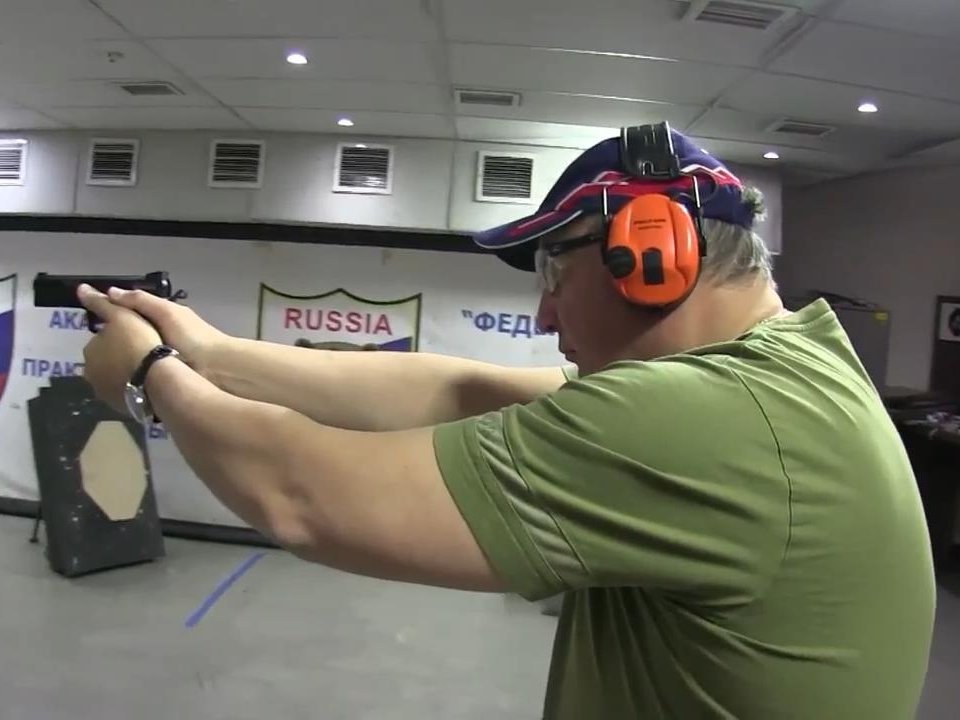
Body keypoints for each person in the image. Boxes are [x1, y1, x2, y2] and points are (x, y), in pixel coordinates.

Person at [76, 122, 936, 719]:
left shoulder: (712, 417)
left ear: (650, 252)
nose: (545, 316)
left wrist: (149, 376)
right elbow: (458, 390)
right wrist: (208, 352)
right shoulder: (784, 374)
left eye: (554, 274)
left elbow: (303, 498)